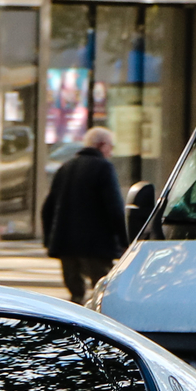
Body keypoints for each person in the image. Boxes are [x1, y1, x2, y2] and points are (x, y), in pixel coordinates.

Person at [41, 125, 129, 305]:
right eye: (110, 147)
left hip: (66, 245)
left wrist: (50, 240)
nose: (111, 153)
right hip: (95, 246)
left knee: (76, 297)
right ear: (102, 145)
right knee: (105, 293)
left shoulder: (65, 167)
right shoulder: (103, 168)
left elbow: (47, 208)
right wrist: (124, 242)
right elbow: (114, 208)